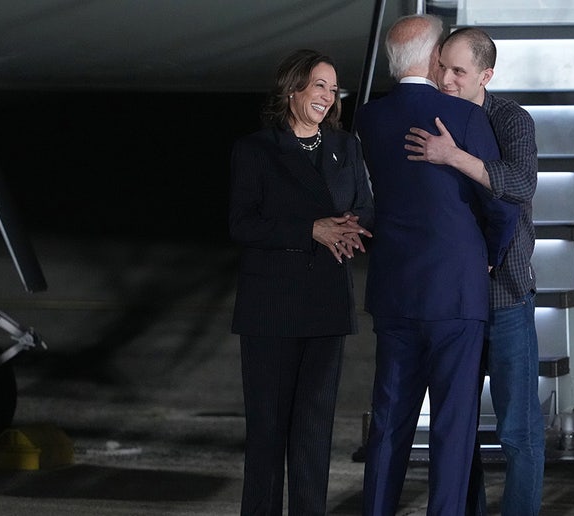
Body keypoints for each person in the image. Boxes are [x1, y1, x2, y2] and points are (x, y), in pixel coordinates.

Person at [353, 14, 519, 516]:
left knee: (389, 420)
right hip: (456, 291)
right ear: (432, 59)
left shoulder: (368, 118)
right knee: (452, 424)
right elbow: (502, 205)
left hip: (395, 289)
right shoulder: (464, 118)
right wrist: (487, 259)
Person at [228, 48, 374, 516]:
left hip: (327, 303)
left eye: (334, 89)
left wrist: (351, 226)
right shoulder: (256, 149)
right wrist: (310, 229)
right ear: (292, 90)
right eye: (319, 86)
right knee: (268, 433)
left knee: (314, 434)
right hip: (271, 305)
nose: (328, 97)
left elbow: (367, 207)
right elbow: (242, 225)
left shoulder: (345, 146)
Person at [404, 27, 543, 515]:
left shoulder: (510, 119)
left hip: (505, 298)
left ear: (486, 75)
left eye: (458, 71)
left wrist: (453, 156)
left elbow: (521, 183)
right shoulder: (434, 112)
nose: (444, 78)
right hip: (454, 300)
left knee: (518, 432)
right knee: (458, 429)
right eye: (442, 66)